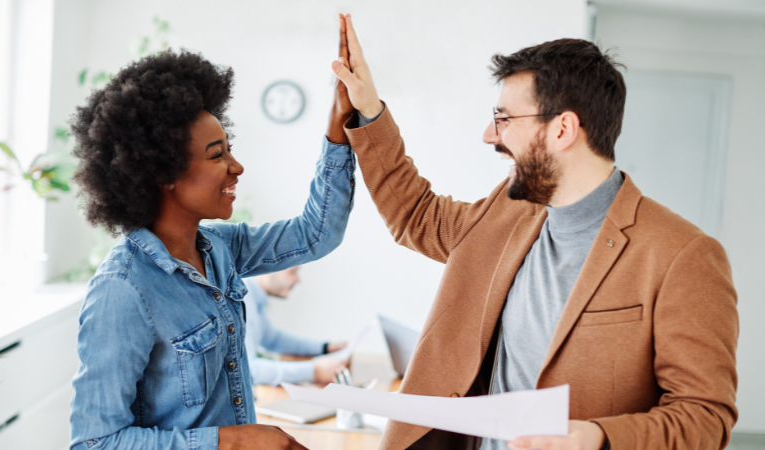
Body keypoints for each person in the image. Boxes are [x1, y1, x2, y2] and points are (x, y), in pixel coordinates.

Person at [330, 14, 738, 450]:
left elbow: (705, 416)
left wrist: (599, 437)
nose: (490, 135)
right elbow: (416, 215)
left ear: (562, 129)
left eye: (504, 119)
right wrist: (369, 109)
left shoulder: (684, 254)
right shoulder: (507, 212)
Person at [68, 16, 357, 450]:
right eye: (217, 155)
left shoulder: (222, 249)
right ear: (165, 172)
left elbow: (317, 234)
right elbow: (96, 442)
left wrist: (339, 124)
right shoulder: (124, 289)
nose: (236, 167)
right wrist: (233, 441)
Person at [242, 267, 347, 386]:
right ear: (267, 269)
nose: (298, 280)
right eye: (292, 271)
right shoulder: (242, 298)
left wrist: (325, 347)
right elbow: (249, 370)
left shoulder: (253, 297)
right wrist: (315, 370)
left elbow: (273, 339)